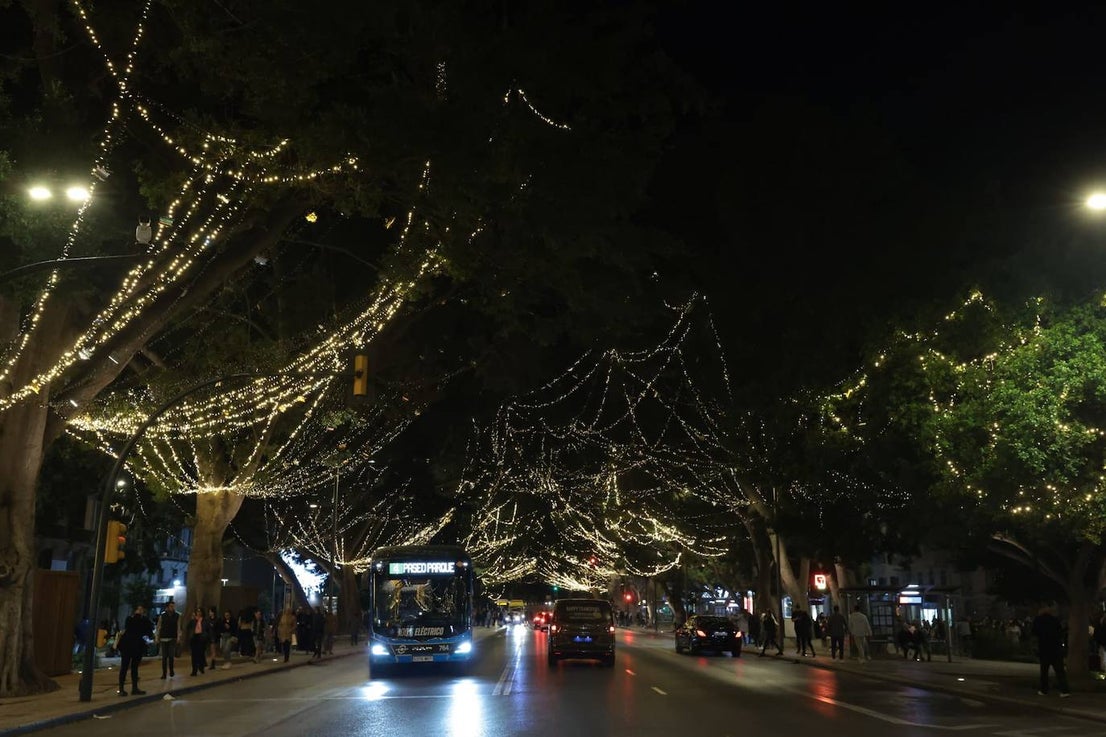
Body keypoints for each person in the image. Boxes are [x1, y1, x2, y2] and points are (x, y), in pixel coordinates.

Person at [1031, 604, 1070, 697]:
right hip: (1055, 648)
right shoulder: (1055, 620)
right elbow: (1060, 632)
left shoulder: (1038, 620)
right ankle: (1064, 690)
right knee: (1060, 671)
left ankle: (1044, 689)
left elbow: (1034, 633)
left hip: (1044, 648)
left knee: (1044, 671)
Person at [116, 605, 154, 696]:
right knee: (125, 667)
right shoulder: (131, 619)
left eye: (141, 609)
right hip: (129, 645)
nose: (140, 611)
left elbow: (149, 630)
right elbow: (132, 627)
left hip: (136, 646)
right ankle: (122, 689)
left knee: (134, 667)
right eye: (138, 609)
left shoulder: (143, 620)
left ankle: (134, 688)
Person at [155, 600, 180, 679]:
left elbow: (178, 627)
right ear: (167, 607)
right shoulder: (162, 615)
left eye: (173, 606)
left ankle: (171, 670)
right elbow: (158, 627)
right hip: (164, 637)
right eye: (171, 606)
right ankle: (164, 673)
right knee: (164, 657)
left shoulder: (177, 615)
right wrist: (157, 637)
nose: (172, 608)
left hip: (172, 637)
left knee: (171, 656)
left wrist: (178, 636)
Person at [189, 607, 211, 676]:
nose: (198, 613)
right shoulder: (193, 621)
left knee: (201, 653)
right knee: (194, 654)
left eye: (200, 611)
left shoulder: (205, 621)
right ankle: (194, 670)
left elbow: (208, 629)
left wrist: (206, 636)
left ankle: (201, 666)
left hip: (201, 638)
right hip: (194, 637)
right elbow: (188, 627)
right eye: (197, 611)